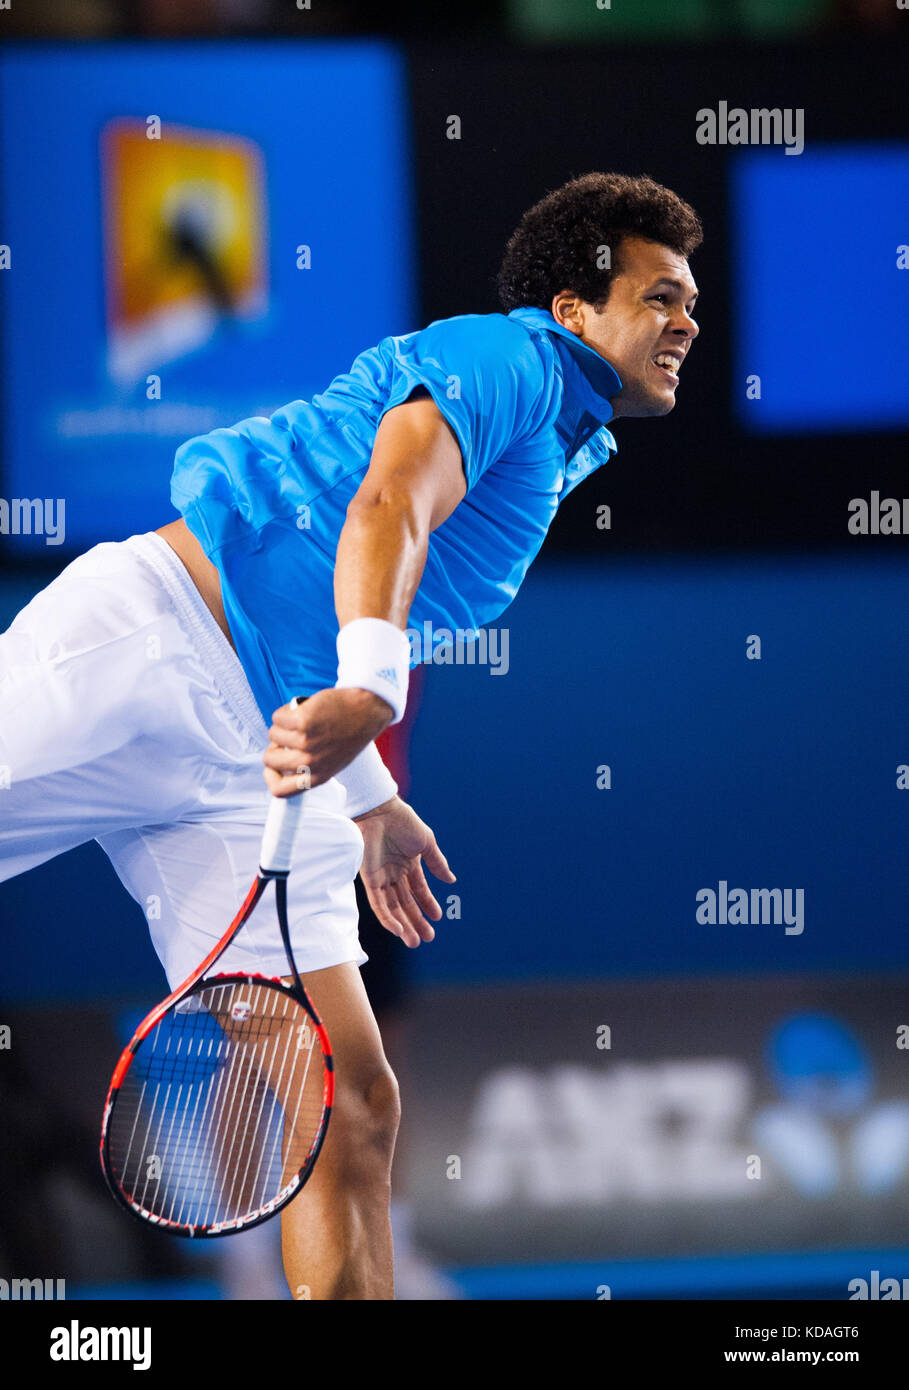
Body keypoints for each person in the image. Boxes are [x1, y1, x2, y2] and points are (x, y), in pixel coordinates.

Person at [0, 172, 701, 1299]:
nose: (687, 323)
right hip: (145, 644)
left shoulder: (561, 436)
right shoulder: (510, 360)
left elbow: (340, 588)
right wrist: (375, 692)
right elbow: (387, 506)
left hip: (257, 760)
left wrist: (369, 794)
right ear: (573, 308)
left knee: (348, 1103)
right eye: (661, 295)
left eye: (693, 303)